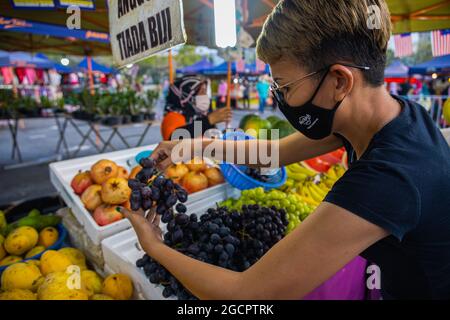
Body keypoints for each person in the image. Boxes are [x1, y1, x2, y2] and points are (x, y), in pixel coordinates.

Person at [121, 0, 450, 300]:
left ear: (339, 81)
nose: (280, 100)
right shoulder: (388, 114)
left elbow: (246, 295)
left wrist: (154, 246)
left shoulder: (388, 179)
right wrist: (191, 148)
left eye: (286, 87)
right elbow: (273, 154)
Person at [161, 76, 232, 140]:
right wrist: (208, 120)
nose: (205, 96)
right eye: (201, 92)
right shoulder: (172, 117)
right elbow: (174, 140)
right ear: (186, 95)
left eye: (205, 92)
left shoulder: (199, 116)